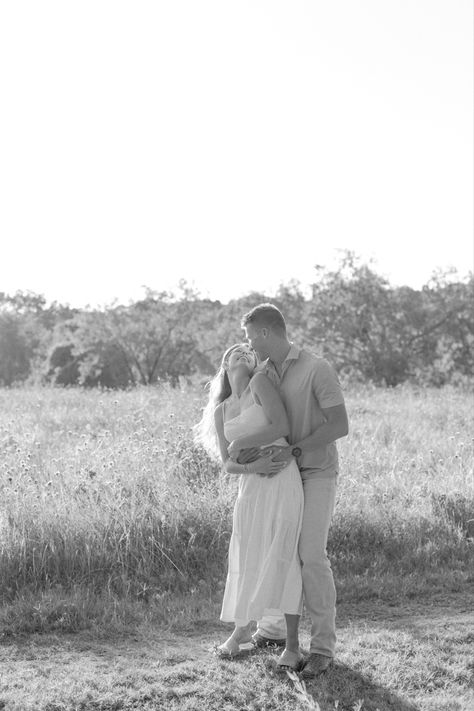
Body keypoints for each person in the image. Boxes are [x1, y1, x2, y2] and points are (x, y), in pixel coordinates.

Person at [239, 303, 349, 679]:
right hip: (279, 478)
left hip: (316, 473)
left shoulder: (317, 368)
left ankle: (322, 648)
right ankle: (271, 631)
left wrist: (295, 450)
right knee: (277, 551)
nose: (248, 341)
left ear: (267, 332)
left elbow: (339, 424)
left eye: (250, 334)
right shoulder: (262, 374)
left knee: (310, 556)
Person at [195, 342, 306, 671]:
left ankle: (293, 646)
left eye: (249, 349)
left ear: (256, 361)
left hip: (282, 475)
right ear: (226, 364)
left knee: (282, 552)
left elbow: (281, 427)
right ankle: (242, 630)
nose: (243, 351)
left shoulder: (260, 384)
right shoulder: (221, 409)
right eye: (236, 351)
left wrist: (243, 442)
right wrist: (250, 467)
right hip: (252, 484)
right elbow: (228, 464)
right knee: (250, 553)